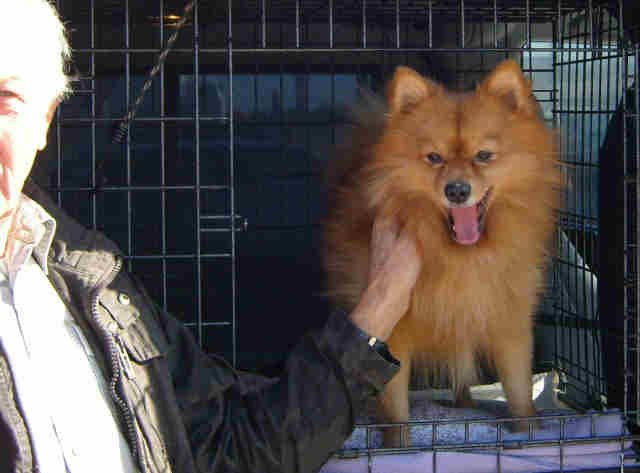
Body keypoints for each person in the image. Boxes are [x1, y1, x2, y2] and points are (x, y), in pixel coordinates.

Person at [0, 1, 422, 472]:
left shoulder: (92, 284)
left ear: (46, 117)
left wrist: (382, 301)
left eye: (5, 99)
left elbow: (237, 445)